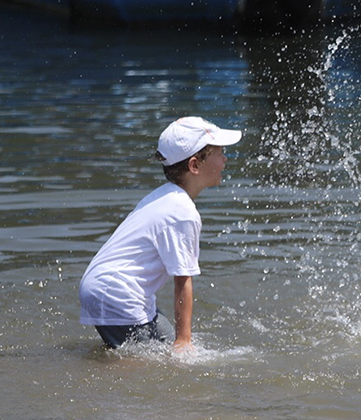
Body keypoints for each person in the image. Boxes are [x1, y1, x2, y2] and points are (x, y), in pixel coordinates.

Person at [79, 116, 242, 353]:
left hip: (108, 288)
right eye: (219, 153)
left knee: (157, 351)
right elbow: (182, 280)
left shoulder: (166, 196)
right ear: (195, 165)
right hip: (116, 294)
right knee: (159, 364)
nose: (225, 158)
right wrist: (184, 341)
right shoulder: (182, 212)